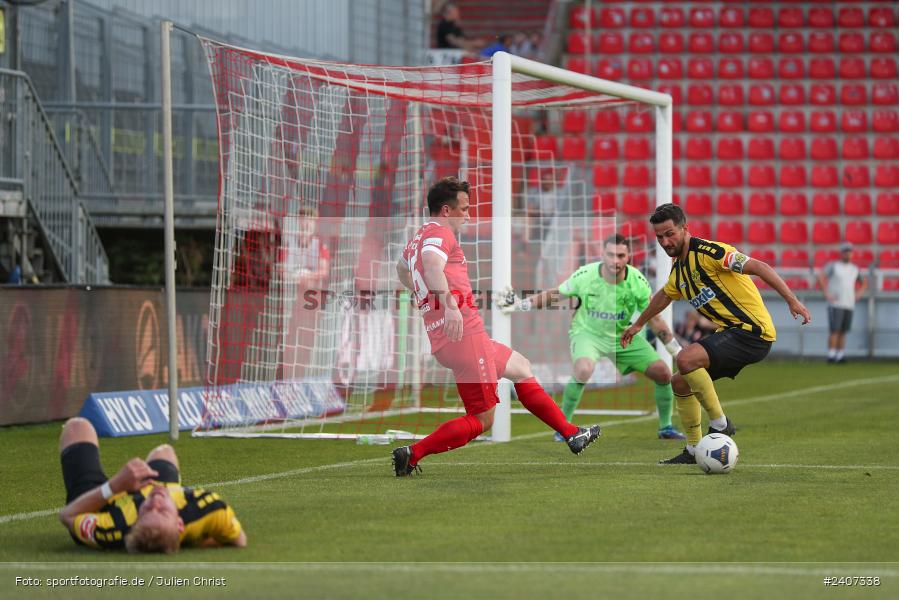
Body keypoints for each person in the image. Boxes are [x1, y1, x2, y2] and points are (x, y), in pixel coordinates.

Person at [392, 177, 600, 476]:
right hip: (463, 335)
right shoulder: (440, 234)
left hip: (454, 337)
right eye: (464, 209)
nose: (468, 215)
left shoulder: (417, 238)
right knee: (483, 419)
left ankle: (571, 434)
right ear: (446, 210)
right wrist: (449, 305)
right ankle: (412, 453)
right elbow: (432, 264)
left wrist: (420, 292)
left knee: (521, 367)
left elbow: (402, 268)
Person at [620, 203, 811, 465]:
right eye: (659, 237)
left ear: (685, 228)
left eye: (670, 233)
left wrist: (792, 300)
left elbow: (760, 266)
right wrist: (639, 324)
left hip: (752, 331)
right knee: (679, 382)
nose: (665, 241)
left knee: (686, 358)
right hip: (732, 333)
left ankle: (720, 425)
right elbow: (664, 295)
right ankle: (693, 449)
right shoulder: (680, 271)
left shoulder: (711, 252)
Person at [499, 233, 686, 441]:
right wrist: (521, 305)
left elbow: (656, 319)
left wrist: (676, 351)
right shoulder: (585, 275)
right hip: (587, 333)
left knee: (662, 372)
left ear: (628, 256)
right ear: (603, 255)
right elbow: (556, 294)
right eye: (611, 255)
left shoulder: (638, 282)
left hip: (621, 336)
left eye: (621, 255)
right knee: (583, 369)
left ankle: (666, 428)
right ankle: (563, 428)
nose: (615, 260)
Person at [58, 417, 247, 552]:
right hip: (167, 495)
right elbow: (239, 540)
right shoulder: (207, 508)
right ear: (180, 523)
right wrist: (194, 541)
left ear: (135, 522)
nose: (155, 503)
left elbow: (67, 515)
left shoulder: (110, 529)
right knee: (165, 453)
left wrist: (115, 485)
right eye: (163, 512)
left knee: (77, 427)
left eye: (148, 511)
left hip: (99, 504)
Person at [816, 242, 867, 364]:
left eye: (849, 252)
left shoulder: (854, 269)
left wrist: (859, 293)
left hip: (849, 303)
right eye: (845, 252)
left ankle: (840, 355)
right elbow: (821, 277)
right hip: (836, 303)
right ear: (842, 253)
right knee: (835, 330)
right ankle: (831, 354)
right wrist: (827, 293)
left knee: (843, 331)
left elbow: (864, 283)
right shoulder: (834, 266)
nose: (847, 254)